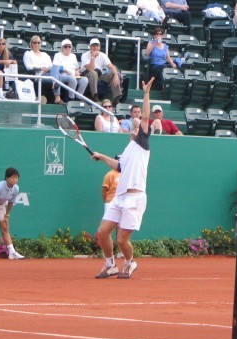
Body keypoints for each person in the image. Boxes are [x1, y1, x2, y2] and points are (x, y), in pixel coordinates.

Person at [91, 77, 155, 279]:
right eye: (134, 128)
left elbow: (143, 118)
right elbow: (119, 166)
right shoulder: (127, 150)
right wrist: (101, 157)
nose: (136, 129)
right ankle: (110, 265)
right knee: (103, 232)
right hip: (119, 198)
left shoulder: (142, 145)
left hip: (135, 198)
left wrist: (145, 94)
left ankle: (130, 262)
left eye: (139, 129)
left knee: (122, 239)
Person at [0, 167, 24, 260]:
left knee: (5, 228)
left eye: (16, 178)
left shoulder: (16, 188)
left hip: (1, 207)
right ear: (7, 178)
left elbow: (10, 203)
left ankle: (12, 252)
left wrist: (6, 216)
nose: (15, 179)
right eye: (12, 177)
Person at [23, 35, 65, 105]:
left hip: (49, 74)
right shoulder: (28, 54)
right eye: (35, 42)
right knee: (57, 76)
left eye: (38, 43)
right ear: (31, 44)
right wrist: (42, 68)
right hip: (38, 75)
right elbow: (28, 67)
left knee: (55, 67)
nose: (37, 44)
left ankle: (55, 86)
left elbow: (50, 65)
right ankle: (57, 94)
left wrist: (48, 69)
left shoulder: (45, 54)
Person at [80, 38, 123, 105]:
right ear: (90, 47)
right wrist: (93, 56)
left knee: (114, 73)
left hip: (99, 75)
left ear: (99, 47)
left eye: (97, 46)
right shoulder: (85, 55)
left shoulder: (103, 55)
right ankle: (95, 96)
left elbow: (111, 66)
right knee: (93, 73)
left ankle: (116, 97)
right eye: (93, 46)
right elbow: (91, 69)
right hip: (87, 75)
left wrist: (116, 75)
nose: (95, 47)